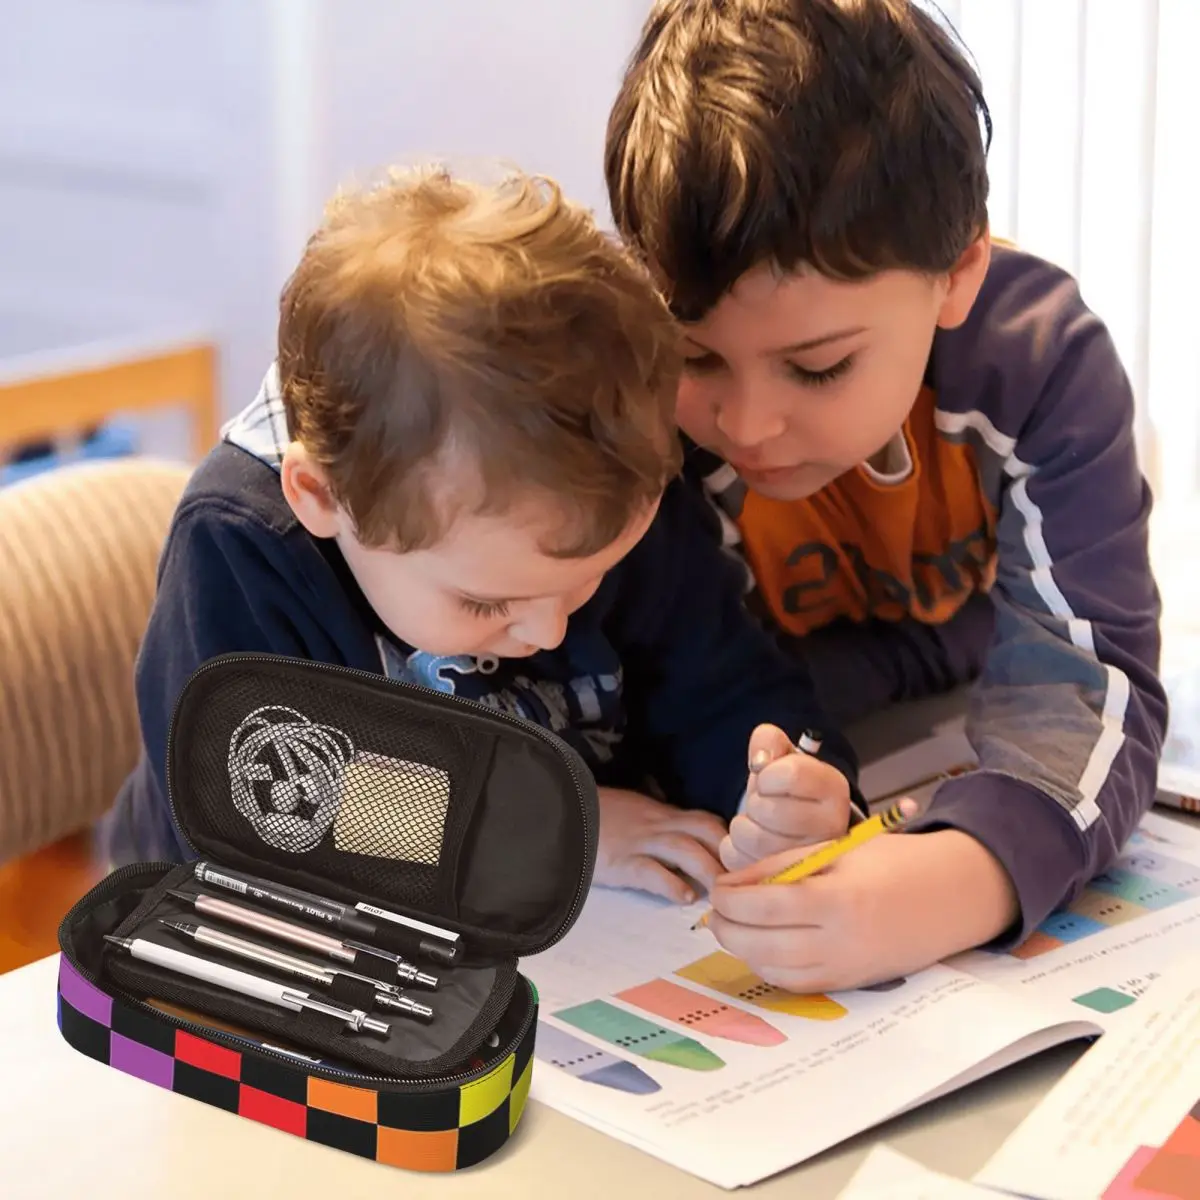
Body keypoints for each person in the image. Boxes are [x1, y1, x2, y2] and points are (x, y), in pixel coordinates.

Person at [100, 165, 864, 905]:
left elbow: (719, 684)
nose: (549, 625)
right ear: (323, 498)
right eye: (484, 604)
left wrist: (782, 792)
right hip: (224, 937)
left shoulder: (603, 487)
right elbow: (259, 800)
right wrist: (562, 831)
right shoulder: (243, 547)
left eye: (587, 580)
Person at [604, 0, 1167, 989]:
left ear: (957, 274)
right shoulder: (631, 395)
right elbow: (669, 696)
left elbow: (1090, 681)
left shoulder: (1042, 364)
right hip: (833, 723)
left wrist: (968, 875)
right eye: (694, 355)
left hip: (962, 697)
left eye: (817, 368)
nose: (746, 425)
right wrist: (779, 785)